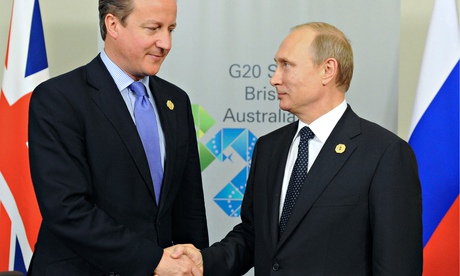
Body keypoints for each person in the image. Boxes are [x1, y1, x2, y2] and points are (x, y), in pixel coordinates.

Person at [172, 22, 423, 275]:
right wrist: (204, 262)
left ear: (327, 70)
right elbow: (255, 235)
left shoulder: (384, 154)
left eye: (286, 65)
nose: (274, 79)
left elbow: (397, 265)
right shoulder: (269, 148)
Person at [27, 0, 208, 275]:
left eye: (171, 29)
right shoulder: (59, 98)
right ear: (112, 24)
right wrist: (153, 261)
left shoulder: (176, 101)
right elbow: (66, 209)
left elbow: (188, 206)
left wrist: (193, 264)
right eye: (153, 28)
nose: (166, 43)